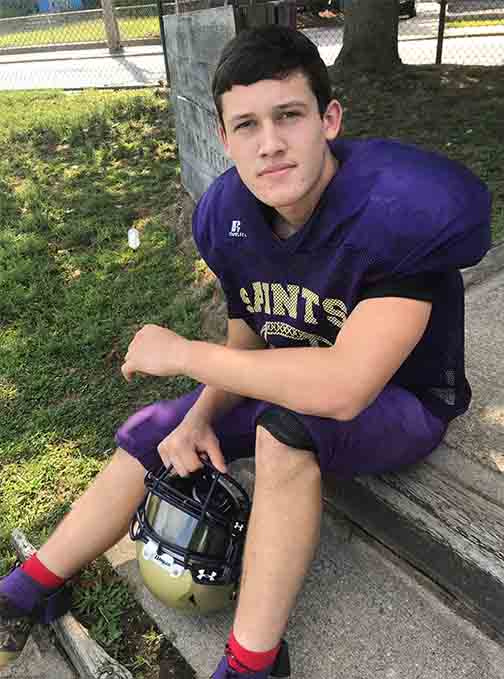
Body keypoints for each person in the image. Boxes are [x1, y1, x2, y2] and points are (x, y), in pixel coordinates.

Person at [0, 25, 491, 679]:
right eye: (247, 125)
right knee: (159, 428)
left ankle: (252, 664)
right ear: (225, 139)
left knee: (285, 429)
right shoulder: (231, 212)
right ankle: (28, 587)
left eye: (289, 116)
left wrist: (186, 355)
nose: (270, 144)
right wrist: (199, 415)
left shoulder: (396, 209)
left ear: (329, 120)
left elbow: (345, 386)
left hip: (402, 400)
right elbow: (252, 332)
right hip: (293, 380)